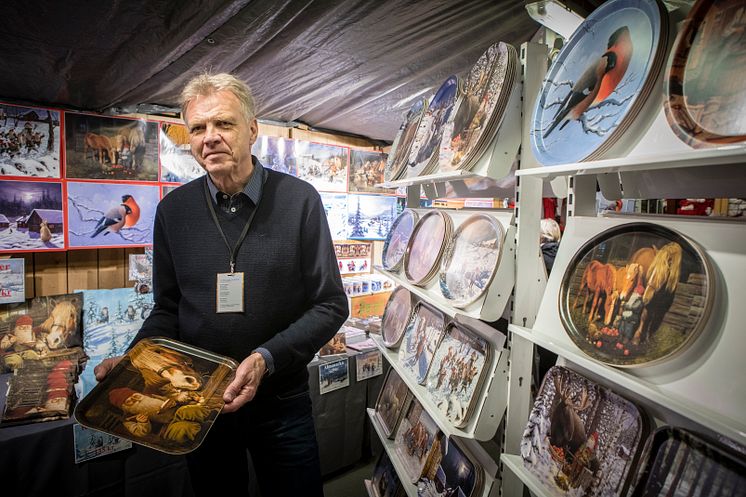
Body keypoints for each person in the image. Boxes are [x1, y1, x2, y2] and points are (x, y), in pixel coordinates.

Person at [94, 72, 348, 497]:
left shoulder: (300, 201)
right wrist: (134, 361)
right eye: (198, 128)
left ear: (252, 129)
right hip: (198, 404)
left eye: (223, 124)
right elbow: (168, 307)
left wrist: (266, 359)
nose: (210, 137)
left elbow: (330, 304)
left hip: (281, 404)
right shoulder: (174, 211)